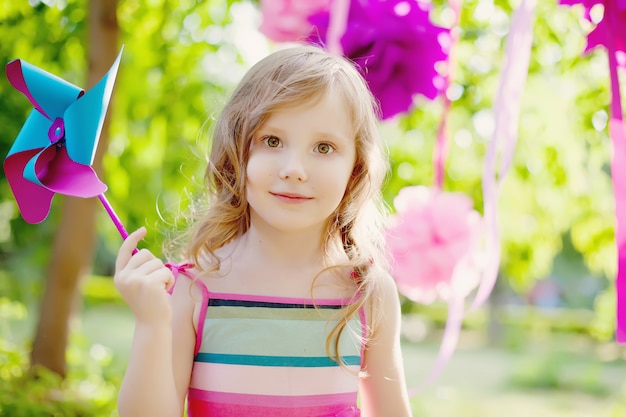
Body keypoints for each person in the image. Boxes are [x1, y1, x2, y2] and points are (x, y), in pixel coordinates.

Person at [114, 45, 413, 417]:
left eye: (324, 147)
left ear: (355, 168)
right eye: (272, 141)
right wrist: (151, 324)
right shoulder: (193, 290)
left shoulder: (367, 293)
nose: (294, 168)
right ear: (237, 154)